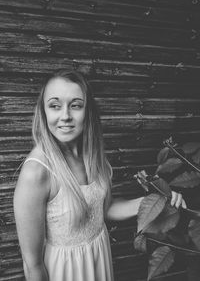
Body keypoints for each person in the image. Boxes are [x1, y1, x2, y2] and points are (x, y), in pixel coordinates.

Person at [13, 70, 186, 281]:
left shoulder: (93, 155)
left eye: (75, 105)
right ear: (44, 112)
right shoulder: (37, 171)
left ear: (88, 111)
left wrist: (155, 202)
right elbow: (32, 265)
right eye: (55, 105)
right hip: (65, 271)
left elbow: (104, 209)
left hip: (98, 258)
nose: (65, 115)